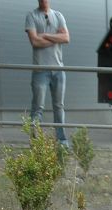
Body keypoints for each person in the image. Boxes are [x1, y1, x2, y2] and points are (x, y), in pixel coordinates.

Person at [25, 0, 70, 148]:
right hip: (40, 71)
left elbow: (66, 38)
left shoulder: (58, 15)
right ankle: (36, 143)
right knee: (38, 107)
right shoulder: (31, 16)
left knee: (59, 106)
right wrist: (56, 38)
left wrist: (44, 35)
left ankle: (62, 141)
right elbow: (35, 42)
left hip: (58, 70)